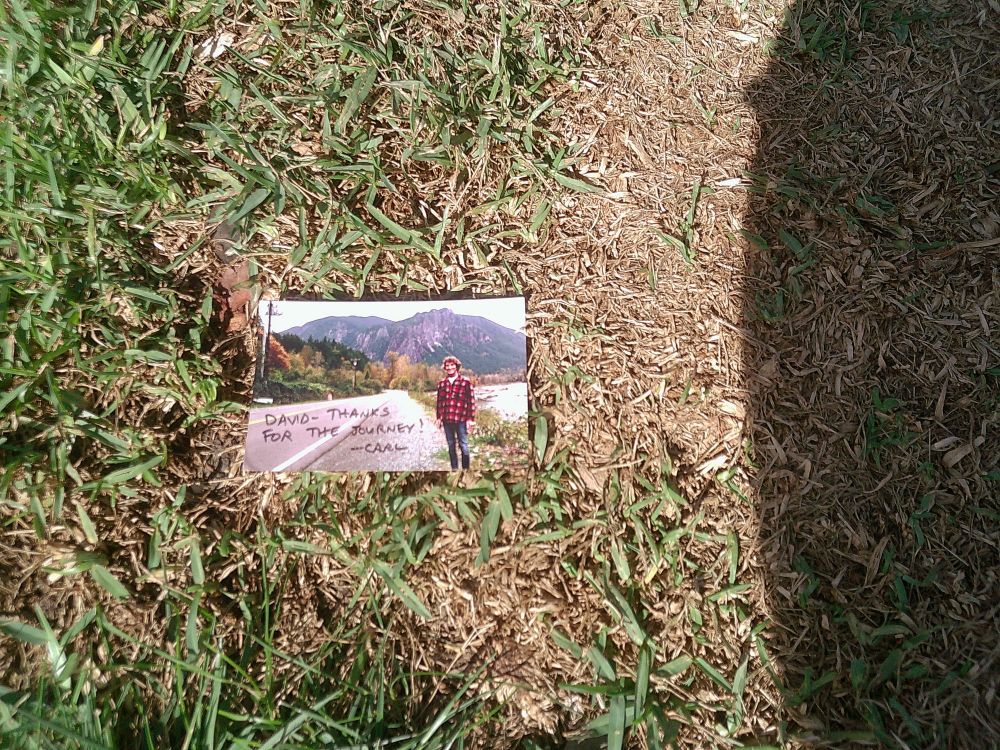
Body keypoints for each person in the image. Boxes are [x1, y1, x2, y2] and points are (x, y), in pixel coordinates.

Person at [435, 355, 476, 470]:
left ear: (457, 366)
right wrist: (438, 418)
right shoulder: (442, 383)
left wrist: (471, 420)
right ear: (445, 368)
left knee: (464, 446)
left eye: (452, 365)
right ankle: (454, 469)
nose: (449, 367)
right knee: (451, 446)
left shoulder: (465, 382)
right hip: (447, 420)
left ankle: (465, 470)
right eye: (447, 366)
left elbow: (471, 402)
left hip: (461, 420)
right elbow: (439, 402)